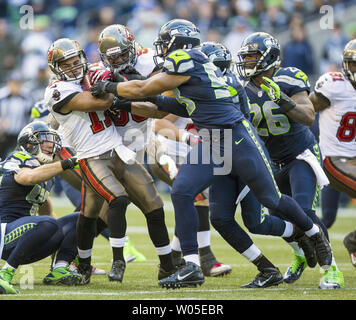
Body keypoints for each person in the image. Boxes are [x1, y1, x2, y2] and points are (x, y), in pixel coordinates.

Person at [91, 19, 332, 289]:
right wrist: (120, 101)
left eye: (165, 40)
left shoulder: (186, 58)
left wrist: (110, 88)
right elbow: (173, 106)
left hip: (234, 135)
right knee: (182, 190)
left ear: (179, 43)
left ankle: (313, 233)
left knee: (271, 199)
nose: (161, 46)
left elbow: (145, 89)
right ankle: (192, 266)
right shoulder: (191, 67)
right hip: (212, 138)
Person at [95, 23, 231, 278]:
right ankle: (197, 258)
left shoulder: (184, 74)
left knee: (188, 195)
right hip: (159, 143)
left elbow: (158, 105)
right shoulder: (167, 69)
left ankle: (185, 259)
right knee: (104, 208)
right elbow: (159, 115)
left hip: (170, 143)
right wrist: (189, 139)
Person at [44, 38, 176, 285]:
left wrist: (114, 81)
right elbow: (100, 102)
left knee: (153, 204)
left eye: (75, 61)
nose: (73, 67)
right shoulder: (57, 89)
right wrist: (112, 86)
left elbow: (133, 91)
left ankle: (168, 267)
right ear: (55, 67)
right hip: (89, 155)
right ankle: (114, 261)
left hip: (118, 151)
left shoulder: (93, 73)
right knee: (114, 201)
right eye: (66, 63)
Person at [236, 31, 343, 289]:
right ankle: (299, 254)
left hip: (300, 155)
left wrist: (280, 98)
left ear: (268, 58)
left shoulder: (288, 77)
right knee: (280, 216)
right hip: (271, 161)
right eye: (246, 57)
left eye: (253, 57)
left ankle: (332, 270)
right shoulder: (243, 89)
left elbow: (308, 116)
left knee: (304, 212)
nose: (248, 62)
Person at [0, 121, 82, 294]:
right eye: (43, 139)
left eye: (51, 140)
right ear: (28, 143)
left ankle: (59, 268)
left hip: (23, 236)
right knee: (48, 224)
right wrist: (66, 164)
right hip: (5, 232)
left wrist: (67, 237)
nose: (50, 144)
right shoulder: (20, 158)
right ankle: (4, 274)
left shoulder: (45, 172)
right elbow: (27, 178)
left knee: (80, 218)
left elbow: (47, 210)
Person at [309, 39, 356, 269]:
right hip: (333, 158)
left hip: (354, 160)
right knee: (326, 216)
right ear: (346, 65)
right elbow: (307, 110)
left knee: (327, 217)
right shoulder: (334, 84)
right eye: (355, 65)